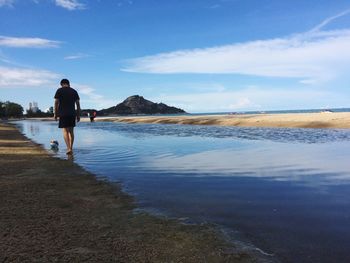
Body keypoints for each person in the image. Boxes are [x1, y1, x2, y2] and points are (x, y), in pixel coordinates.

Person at [54, 79, 81, 155]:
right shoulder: (74, 91)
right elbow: (78, 104)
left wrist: (55, 114)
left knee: (65, 131)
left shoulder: (59, 90)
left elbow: (56, 103)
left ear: (61, 84)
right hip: (72, 114)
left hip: (63, 114)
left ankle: (68, 148)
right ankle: (71, 148)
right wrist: (78, 115)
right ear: (69, 84)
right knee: (71, 131)